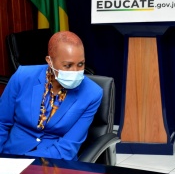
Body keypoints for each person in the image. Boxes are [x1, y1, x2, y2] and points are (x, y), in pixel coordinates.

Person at [0, 31, 103, 160]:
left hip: (54, 162)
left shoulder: (92, 94)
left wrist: (25, 163)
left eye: (80, 64)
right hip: (12, 154)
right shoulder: (22, 76)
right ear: (50, 61)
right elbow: (2, 122)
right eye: (68, 65)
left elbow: (68, 147)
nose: (75, 71)